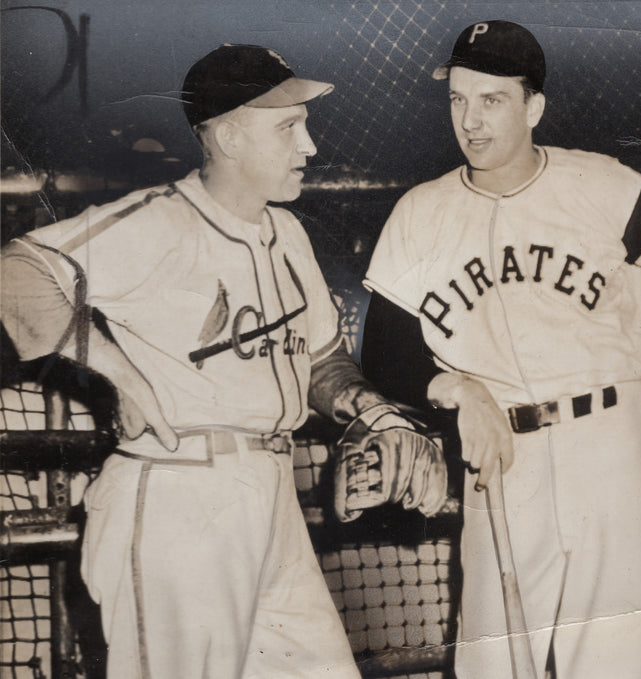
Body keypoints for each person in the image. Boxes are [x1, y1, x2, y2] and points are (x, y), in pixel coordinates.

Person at [0, 44, 444, 679]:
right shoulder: (158, 221)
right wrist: (117, 370)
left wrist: (376, 412)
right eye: (289, 127)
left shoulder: (289, 234)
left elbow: (321, 359)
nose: (309, 146)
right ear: (230, 136)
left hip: (272, 496)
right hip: (179, 493)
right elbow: (16, 271)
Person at [361, 19, 641, 679]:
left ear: (534, 107)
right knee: (491, 661)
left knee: (616, 664)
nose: (470, 120)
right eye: (458, 99)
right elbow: (385, 353)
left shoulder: (600, 184)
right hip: (501, 451)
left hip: (612, 443)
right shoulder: (422, 211)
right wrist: (459, 390)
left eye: (491, 100)